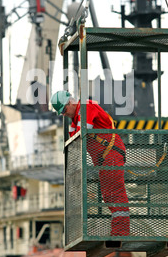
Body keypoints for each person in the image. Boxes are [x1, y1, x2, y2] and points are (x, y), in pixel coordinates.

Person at [51, 90, 130, 237]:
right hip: (105, 159)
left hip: (111, 154)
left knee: (115, 193)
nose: (64, 114)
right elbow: (75, 143)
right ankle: (118, 231)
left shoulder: (86, 107)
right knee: (108, 195)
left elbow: (81, 137)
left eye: (64, 109)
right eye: (61, 112)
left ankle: (121, 232)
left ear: (70, 102)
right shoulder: (75, 120)